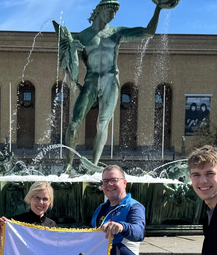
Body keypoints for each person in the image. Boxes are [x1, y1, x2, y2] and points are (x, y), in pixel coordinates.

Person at [55, 0, 178, 172]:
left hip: (111, 80)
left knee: (102, 124)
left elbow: (148, 32)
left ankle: (94, 165)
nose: (112, 16)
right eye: (110, 12)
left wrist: (158, 9)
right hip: (90, 81)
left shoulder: (116, 33)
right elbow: (71, 65)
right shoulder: (82, 36)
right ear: (99, 10)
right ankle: (68, 164)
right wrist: (74, 75)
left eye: (115, 14)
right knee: (74, 123)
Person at [91, 165, 145, 255]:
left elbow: (139, 232)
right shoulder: (101, 208)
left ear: (124, 183)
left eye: (114, 180)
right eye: (105, 181)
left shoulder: (134, 207)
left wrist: (121, 226)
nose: (109, 184)